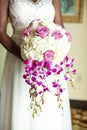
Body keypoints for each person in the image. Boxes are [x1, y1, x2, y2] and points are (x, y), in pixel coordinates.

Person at [0, 0, 72, 130]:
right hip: (18, 58)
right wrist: (25, 56)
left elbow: (60, 27)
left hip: (49, 63)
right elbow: (0, 31)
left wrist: (57, 49)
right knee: (21, 105)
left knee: (49, 108)